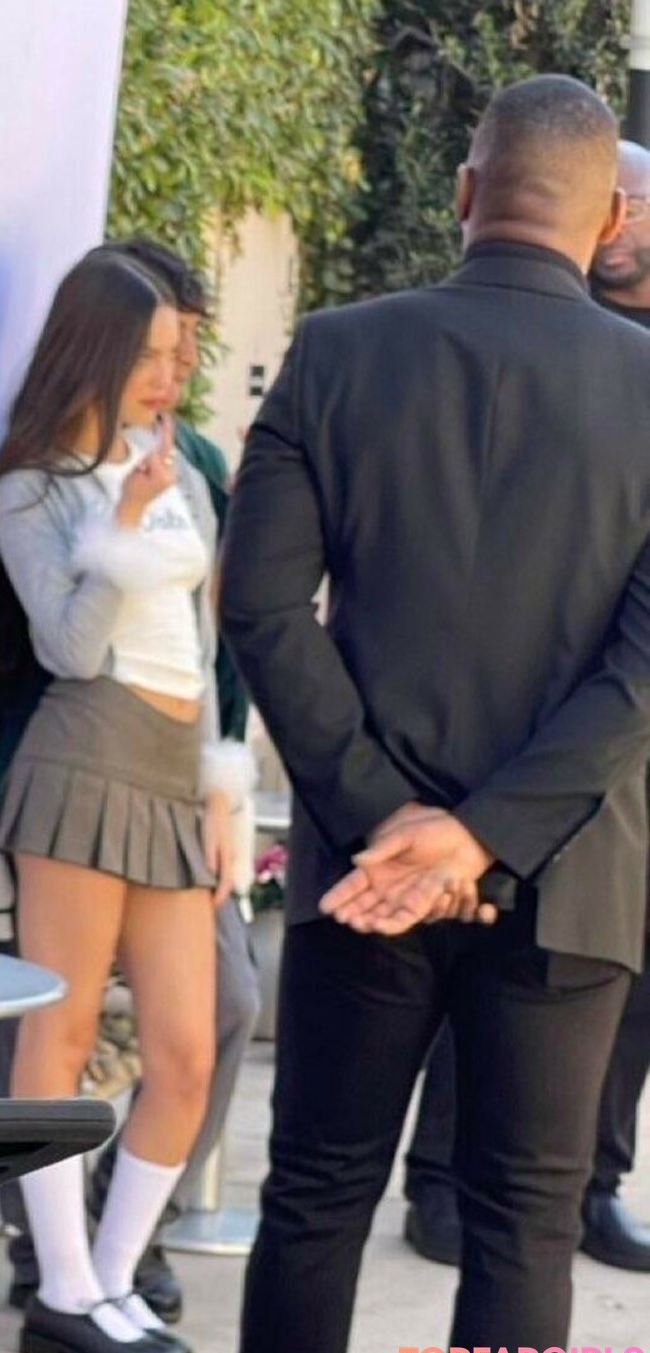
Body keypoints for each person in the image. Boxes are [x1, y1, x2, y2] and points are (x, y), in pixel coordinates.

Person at [222, 75, 650, 1353]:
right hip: (573, 877)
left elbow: (261, 607)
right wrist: (483, 835)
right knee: (528, 1220)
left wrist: (390, 820)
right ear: (611, 217)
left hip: (366, 871)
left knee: (316, 1195)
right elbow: (642, 671)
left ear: (465, 192)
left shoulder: (337, 352)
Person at [0, 248, 250, 1353]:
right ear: (96, 352)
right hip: (82, 760)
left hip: (173, 775)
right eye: (150, 357)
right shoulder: (33, 485)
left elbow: (204, 648)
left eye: (178, 357)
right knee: (64, 1033)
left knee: (185, 1050)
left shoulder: (179, 470)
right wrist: (124, 523)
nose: (170, 377)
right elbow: (71, 648)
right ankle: (64, 1289)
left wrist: (222, 786)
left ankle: (114, 1275)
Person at [401, 136, 650, 1280]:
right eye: (622, 195)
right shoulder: (535, 331)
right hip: (521, 740)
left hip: (629, 740)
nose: (629, 219)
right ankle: (441, 1183)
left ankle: (598, 1180)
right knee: (486, 963)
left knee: (626, 978)